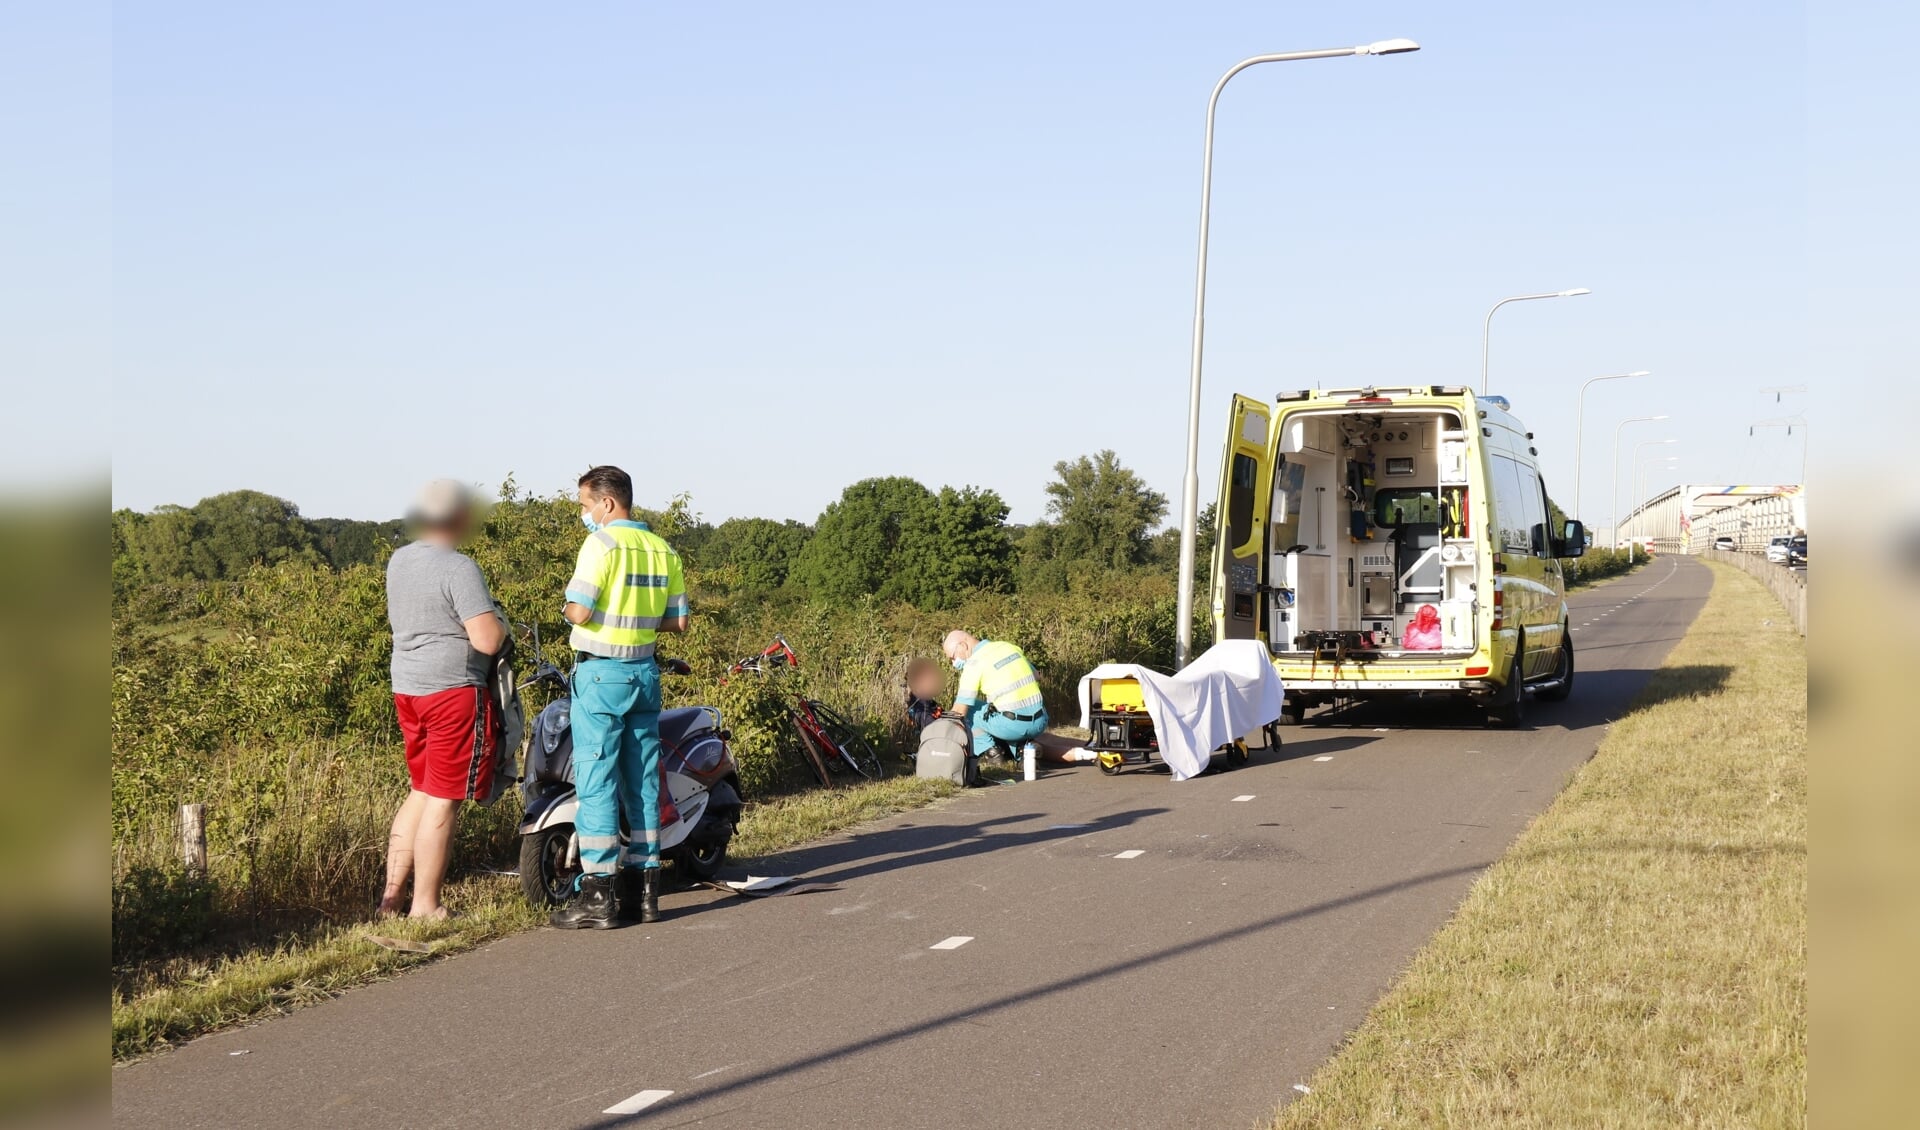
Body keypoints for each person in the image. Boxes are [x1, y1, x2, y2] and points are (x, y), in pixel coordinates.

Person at [550, 465, 689, 929]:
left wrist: (568, 608)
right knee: (644, 782)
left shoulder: (601, 544)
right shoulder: (662, 549)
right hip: (644, 675)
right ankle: (645, 893)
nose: (585, 516)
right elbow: (679, 622)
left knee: (597, 783)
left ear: (607, 503)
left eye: (586, 506)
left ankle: (599, 897)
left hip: (601, 677)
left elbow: (581, 609)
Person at [380, 480, 506, 919]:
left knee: (419, 789)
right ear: (459, 518)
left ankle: (391, 897)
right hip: (451, 690)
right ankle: (426, 906)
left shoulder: (400, 560)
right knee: (443, 798)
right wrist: (504, 626)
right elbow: (487, 640)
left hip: (408, 688)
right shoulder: (458, 568)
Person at [941, 630, 1049, 763]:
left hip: (1013, 726)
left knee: (971, 709)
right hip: (1041, 722)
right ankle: (1022, 750)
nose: (953, 663)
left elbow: (959, 711)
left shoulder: (973, 664)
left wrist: (943, 736)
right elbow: (1037, 675)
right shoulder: (1007, 646)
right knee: (995, 710)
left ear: (963, 646)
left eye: (952, 657)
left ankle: (991, 752)